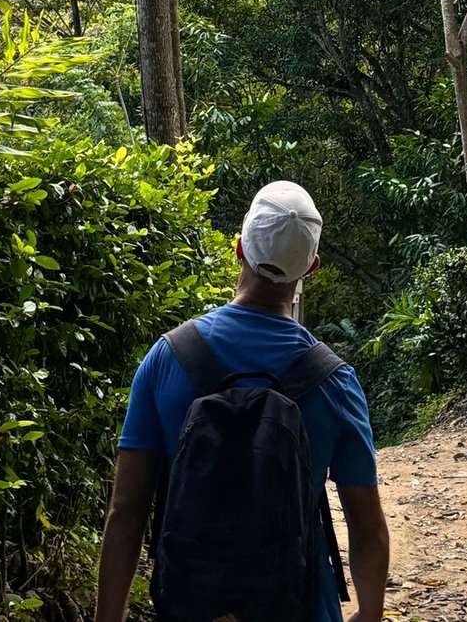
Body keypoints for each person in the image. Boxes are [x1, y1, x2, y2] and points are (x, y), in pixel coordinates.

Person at [95, 180, 389, 622]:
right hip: (299, 604)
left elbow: (126, 510)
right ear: (311, 267)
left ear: (238, 249)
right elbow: (365, 523)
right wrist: (369, 612)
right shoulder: (335, 382)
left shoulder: (168, 357)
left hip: (191, 603)